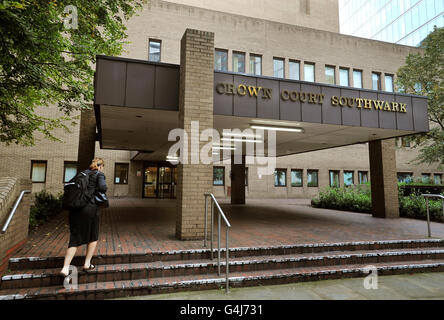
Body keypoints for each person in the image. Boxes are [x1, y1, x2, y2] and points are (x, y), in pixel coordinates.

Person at [60, 158, 107, 279]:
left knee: (75, 237)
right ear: (101, 166)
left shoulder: (82, 173)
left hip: (75, 208)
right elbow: (103, 188)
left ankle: (65, 267)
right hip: (90, 209)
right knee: (93, 235)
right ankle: (87, 263)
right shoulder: (99, 174)